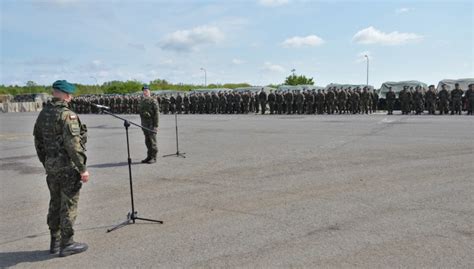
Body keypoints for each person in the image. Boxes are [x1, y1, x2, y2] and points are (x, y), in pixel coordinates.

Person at [33, 80, 89, 257]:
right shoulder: (67, 115)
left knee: (55, 202)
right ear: (64, 94)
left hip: (52, 167)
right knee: (68, 204)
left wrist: (47, 162)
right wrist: (82, 168)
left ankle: (54, 242)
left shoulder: (44, 114)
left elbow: (38, 141)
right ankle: (67, 244)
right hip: (66, 167)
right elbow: (73, 145)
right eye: (70, 94)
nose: (71, 97)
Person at [138, 85, 159, 164]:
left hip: (151, 124)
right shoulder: (142, 101)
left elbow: (156, 114)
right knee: (147, 141)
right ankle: (149, 156)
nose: (145, 92)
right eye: (144, 91)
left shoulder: (153, 101)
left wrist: (156, 126)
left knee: (153, 141)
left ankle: (154, 157)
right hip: (144, 124)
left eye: (146, 90)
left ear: (149, 91)